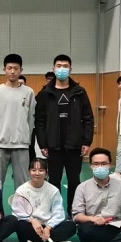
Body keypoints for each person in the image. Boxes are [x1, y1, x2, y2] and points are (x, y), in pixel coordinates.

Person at [35, 54, 94, 216]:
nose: (62, 69)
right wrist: (42, 143)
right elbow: (40, 121)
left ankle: (74, 212)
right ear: (53, 69)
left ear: (70, 69)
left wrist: (86, 141)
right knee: (54, 181)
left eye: (65, 66)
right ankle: (56, 212)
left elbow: (88, 118)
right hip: (53, 145)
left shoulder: (79, 92)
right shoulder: (45, 93)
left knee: (74, 181)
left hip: (74, 145)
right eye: (59, 66)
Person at [0, 54, 35, 190]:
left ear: (21, 70)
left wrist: (27, 139)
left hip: (21, 145)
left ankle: (21, 205)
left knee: (22, 185)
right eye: (9, 68)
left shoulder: (29, 92)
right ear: (4, 70)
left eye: (16, 68)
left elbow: (31, 119)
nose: (12, 71)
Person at [13, 158, 76, 242]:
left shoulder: (53, 190)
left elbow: (58, 214)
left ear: (46, 172)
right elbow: (18, 213)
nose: (37, 173)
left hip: (49, 227)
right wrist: (32, 220)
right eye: (34, 170)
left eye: (41, 170)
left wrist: (48, 227)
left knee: (71, 226)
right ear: (29, 172)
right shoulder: (21, 190)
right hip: (31, 226)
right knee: (20, 225)